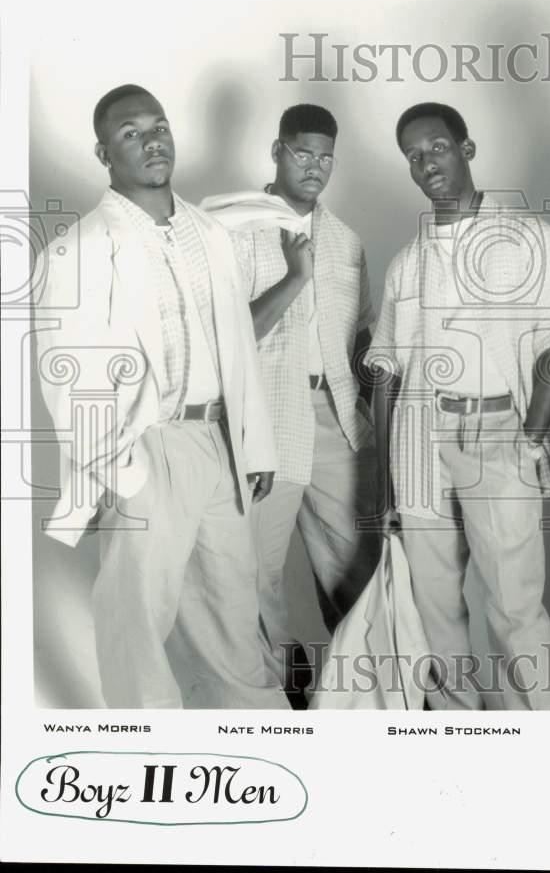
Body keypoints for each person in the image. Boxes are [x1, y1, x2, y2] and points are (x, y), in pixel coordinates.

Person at [35, 84, 287, 710]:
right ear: (103, 152)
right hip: (143, 450)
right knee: (139, 629)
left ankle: (266, 758)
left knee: (234, 619)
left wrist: (251, 445)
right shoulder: (79, 250)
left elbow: (235, 344)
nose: (151, 140)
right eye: (130, 132)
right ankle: (145, 761)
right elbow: (68, 378)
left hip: (217, 443)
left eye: (159, 126)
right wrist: (119, 472)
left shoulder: (208, 233)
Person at [365, 103, 550, 710]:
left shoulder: (528, 238)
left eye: (436, 146)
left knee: (514, 604)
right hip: (419, 440)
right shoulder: (407, 264)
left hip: (499, 431)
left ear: (467, 148)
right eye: (413, 155)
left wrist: (531, 438)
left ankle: (535, 741)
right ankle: (459, 739)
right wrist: (385, 483)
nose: (425, 162)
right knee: (434, 607)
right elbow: (384, 370)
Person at [230, 104, 380, 704]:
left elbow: (360, 335)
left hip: (338, 420)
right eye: (302, 153)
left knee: (359, 569)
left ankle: (364, 699)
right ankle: (286, 700)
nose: (315, 167)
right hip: (264, 420)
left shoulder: (345, 240)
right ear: (276, 150)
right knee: (255, 576)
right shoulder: (233, 231)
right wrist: (292, 279)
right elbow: (226, 337)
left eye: (325, 158)